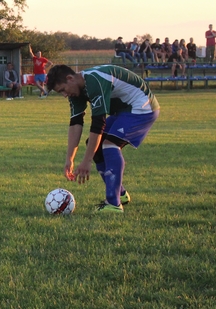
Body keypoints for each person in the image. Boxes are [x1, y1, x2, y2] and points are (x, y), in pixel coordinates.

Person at [46, 63, 160, 213]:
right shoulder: (77, 90)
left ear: (70, 78)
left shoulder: (95, 81)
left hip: (142, 107)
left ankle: (114, 204)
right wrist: (70, 159)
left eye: (63, 90)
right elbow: (75, 123)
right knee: (96, 147)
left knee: (109, 145)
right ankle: (120, 194)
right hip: (124, 110)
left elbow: (98, 123)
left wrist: (87, 161)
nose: (65, 95)